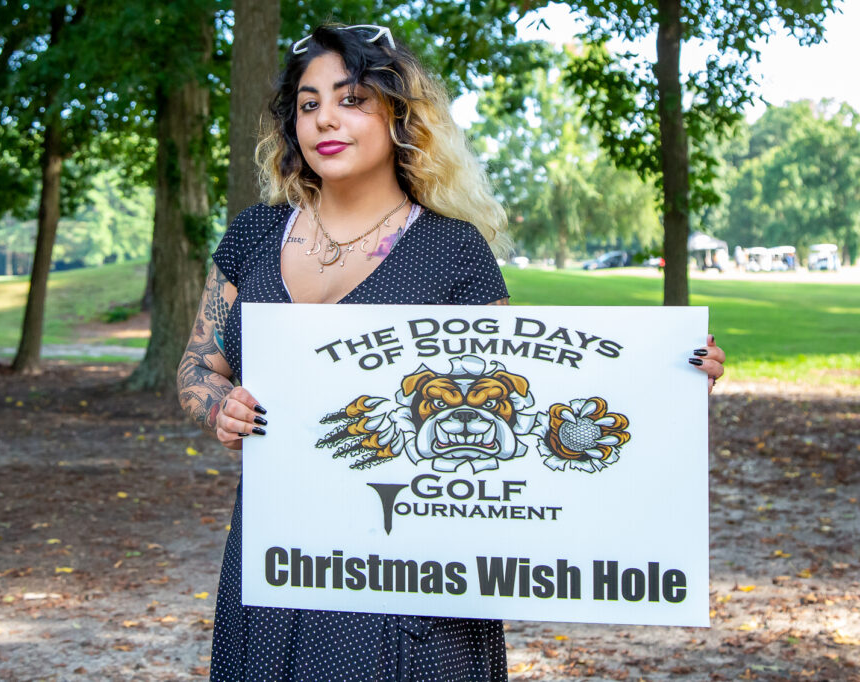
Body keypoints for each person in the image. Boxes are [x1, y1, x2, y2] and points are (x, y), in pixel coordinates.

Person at [177, 24, 726, 682]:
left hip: (413, 572)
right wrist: (220, 407)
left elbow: (529, 392)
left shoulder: (452, 250)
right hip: (279, 555)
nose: (325, 118)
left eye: (352, 99)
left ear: (398, 115)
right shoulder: (255, 234)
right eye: (308, 103)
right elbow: (198, 366)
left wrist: (666, 379)